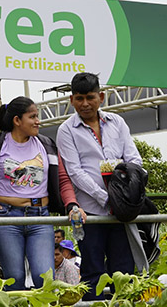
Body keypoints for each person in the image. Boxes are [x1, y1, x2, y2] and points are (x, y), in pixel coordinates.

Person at [0, 96, 85, 290]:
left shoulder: (46, 144)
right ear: (17, 120)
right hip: (6, 218)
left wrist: (73, 205)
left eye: (37, 116)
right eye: (32, 117)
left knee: (44, 278)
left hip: (40, 218)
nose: (38, 121)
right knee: (14, 278)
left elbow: (63, 179)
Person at [55, 72, 143, 292]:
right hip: (91, 213)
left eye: (90, 97)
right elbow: (74, 171)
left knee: (124, 272)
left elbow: (134, 159)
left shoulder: (117, 122)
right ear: (71, 100)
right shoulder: (66, 130)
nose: (85, 104)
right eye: (79, 98)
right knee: (93, 271)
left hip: (120, 212)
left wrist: (126, 194)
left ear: (101, 97)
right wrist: (106, 198)